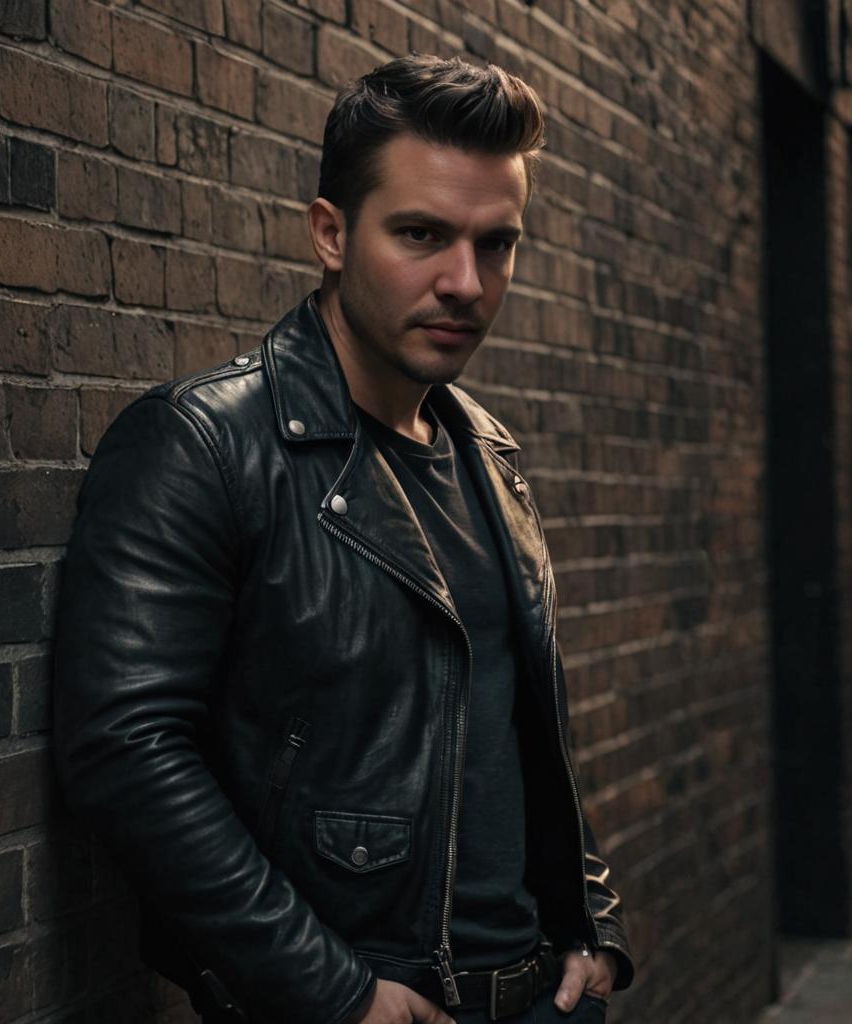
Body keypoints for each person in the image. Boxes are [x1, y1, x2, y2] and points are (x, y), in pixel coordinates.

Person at [54, 54, 633, 1024]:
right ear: (330, 233)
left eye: (497, 245)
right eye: (420, 234)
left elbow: (521, 734)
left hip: (542, 996)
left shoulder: (488, 454)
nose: (464, 282)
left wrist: (595, 927)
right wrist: (333, 991)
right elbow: (125, 748)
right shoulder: (206, 443)